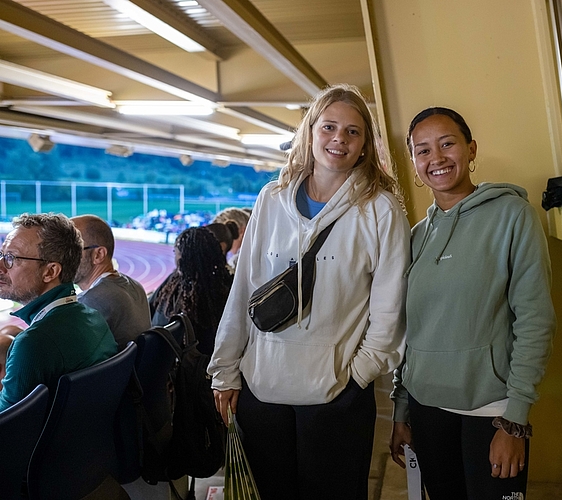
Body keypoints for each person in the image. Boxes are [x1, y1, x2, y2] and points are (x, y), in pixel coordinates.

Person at [209, 83, 410, 500]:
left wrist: (358, 376)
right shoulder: (272, 197)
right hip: (262, 390)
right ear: (310, 131)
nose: (340, 139)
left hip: (336, 396)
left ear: (365, 145)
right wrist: (225, 368)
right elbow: (244, 287)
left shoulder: (380, 208)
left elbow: (390, 309)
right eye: (330, 126)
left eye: (353, 132)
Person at [389, 108, 556, 500]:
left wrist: (514, 420)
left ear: (471, 149)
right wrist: (401, 409)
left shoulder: (512, 215)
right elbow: (408, 330)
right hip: (426, 409)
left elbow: (535, 319)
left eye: (447, 144)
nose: (437, 158)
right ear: (414, 163)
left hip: (490, 411)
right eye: (423, 150)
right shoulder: (415, 238)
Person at [0, 213, 117, 412]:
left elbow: (7, 423)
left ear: (50, 272)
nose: (1, 265)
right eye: (2, 255)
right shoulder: (93, 317)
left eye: (11, 258)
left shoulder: (32, 344)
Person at [72, 215, 152, 350]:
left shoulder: (91, 302)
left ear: (98, 255)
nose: (63, 258)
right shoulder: (134, 285)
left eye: (72, 250)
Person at [149, 226, 232, 356]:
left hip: (175, 365)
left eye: (176, 252)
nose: (175, 257)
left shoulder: (180, 289)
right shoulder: (224, 286)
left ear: (183, 257)